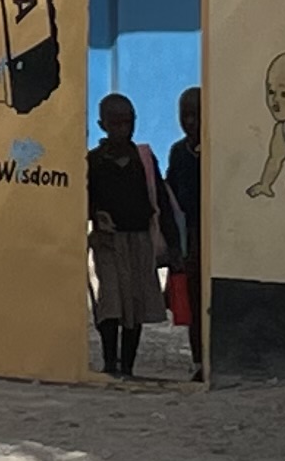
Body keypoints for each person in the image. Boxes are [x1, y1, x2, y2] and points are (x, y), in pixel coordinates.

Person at [85, 93, 167, 380]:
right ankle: (110, 363)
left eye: (127, 122)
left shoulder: (142, 158)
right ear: (102, 124)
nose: (122, 128)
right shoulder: (93, 162)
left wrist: (172, 246)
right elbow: (84, 199)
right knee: (111, 302)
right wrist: (96, 214)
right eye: (115, 122)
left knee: (135, 302)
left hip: (140, 238)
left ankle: (128, 366)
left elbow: (160, 200)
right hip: (108, 240)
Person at [163, 84, 207, 372]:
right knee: (192, 302)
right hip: (189, 235)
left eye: (196, 115)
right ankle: (198, 360)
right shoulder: (179, 153)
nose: (189, 121)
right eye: (184, 115)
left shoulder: (216, 149)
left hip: (214, 234)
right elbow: (172, 198)